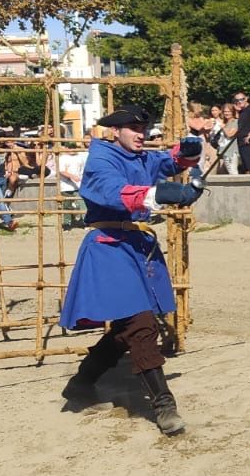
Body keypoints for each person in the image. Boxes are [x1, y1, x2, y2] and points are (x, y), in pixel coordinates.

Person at [57, 104, 204, 436]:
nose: (141, 134)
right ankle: (164, 407)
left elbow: (168, 161)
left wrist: (187, 151)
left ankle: (80, 384)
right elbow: (113, 192)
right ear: (116, 131)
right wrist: (162, 193)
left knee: (127, 326)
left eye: (144, 129)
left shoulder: (141, 157)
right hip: (108, 246)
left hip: (136, 246)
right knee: (139, 323)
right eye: (134, 129)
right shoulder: (101, 159)